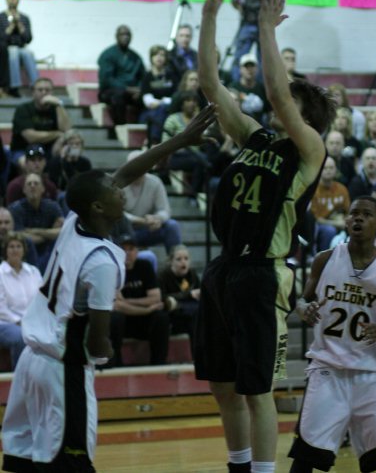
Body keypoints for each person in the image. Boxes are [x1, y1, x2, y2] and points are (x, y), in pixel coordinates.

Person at [1, 103, 217, 473]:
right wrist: (103, 348)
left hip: (32, 361)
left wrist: (178, 141)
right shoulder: (102, 260)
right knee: (72, 462)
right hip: (62, 367)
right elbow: (99, 338)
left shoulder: (74, 222)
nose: (124, 191)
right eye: (115, 192)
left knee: (29, 459)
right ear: (100, 205)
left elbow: (128, 171)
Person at [194, 0, 336, 473]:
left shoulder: (309, 150)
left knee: (257, 391)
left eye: (290, 99)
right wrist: (211, 15)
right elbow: (211, 85)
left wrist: (266, 28)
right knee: (223, 384)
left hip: (262, 274)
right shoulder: (256, 137)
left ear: (305, 114)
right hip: (224, 269)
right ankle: (238, 467)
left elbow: (277, 90)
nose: (278, 97)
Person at [288, 196, 376, 473]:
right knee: (306, 455)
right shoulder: (325, 259)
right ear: (346, 220)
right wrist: (304, 310)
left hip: (370, 374)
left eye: (366, 215)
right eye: (354, 213)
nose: (358, 218)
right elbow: (302, 301)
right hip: (327, 371)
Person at [109, 235, 170, 366]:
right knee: (115, 318)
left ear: (137, 251)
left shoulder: (145, 266)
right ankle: (115, 364)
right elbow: (117, 305)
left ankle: (158, 364)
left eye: (131, 249)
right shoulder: (112, 269)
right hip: (124, 323)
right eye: (123, 249)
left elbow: (155, 298)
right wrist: (147, 309)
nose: (127, 253)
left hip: (142, 322)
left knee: (162, 317)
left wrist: (127, 302)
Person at [230, 0, 280, 81]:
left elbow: (279, 3)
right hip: (247, 23)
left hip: (264, 26)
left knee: (264, 59)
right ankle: (236, 85)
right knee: (239, 57)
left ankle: (262, 88)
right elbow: (234, 0)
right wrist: (241, 9)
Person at [123, 150, 182, 255]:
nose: (138, 168)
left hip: (147, 228)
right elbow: (117, 213)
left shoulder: (155, 182)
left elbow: (165, 210)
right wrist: (141, 220)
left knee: (172, 226)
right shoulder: (119, 183)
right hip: (124, 231)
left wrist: (157, 219)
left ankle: (175, 262)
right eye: (134, 164)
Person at [0, 232, 42, 369]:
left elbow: (42, 300)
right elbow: (1, 308)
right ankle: (19, 377)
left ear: (24, 250)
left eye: (18, 246)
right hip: (6, 323)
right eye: (11, 246)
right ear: (5, 250)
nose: (15, 250)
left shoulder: (34, 272)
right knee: (20, 337)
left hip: (32, 320)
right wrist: (20, 322)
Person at [9, 77, 71, 168]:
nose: (44, 93)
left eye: (47, 90)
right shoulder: (23, 109)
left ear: (52, 93)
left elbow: (67, 131)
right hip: (23, 150)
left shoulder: (57, 109)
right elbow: (31, 137)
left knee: (66, 158)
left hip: (49, 150)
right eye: (40, 90)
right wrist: (57, 134)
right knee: (27, 164)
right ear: (33, 93)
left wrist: (59, 105)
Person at [9, 172, 65, 274]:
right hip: (24, 255)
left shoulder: (52, 206)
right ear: (24, 190)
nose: (32, 186)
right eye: (29, 184)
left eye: (36, 183)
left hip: (49, 252)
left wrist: (34, 231)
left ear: (43, 189)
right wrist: (49, 234)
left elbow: (63, 231)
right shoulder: (15, 209)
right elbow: (20, 237)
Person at [97, 25, 145, 126]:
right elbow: (107, 79)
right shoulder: (108, 54)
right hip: (110, 92)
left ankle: (142, 125)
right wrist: (126, 89)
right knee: (118, 96)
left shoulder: (136, 57)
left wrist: (140, 89)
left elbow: (143, 77)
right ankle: (120, 127)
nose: (126, 37)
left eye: (128, 34)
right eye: (122, 34)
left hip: (133, 92)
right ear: (116, 36)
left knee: (147, 96)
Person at [159, 244, 201, 351]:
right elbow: (162, 297)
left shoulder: (192, 274)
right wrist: (189, 294)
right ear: (171, 261)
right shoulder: (163, 275)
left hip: (191, 313)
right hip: (173, 313)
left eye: (186, 259)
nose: (183, 262)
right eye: (179, 259)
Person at [0, 0, 39, 96]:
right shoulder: (1, 17)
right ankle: (14, 87)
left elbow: (28, 39)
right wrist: (12, 26)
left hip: (21, 47)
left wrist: (19, 24)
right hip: (7, 48)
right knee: (13, 52)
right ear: (6, 0)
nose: (13, 0)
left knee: (29, 53)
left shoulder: (24, 18)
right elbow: (1, 38)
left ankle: (36, 86)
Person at [310, 156, 350, 253]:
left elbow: (348, 212)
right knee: (329, 230)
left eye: (331, 168)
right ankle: (324, 259)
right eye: (325, 168)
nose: (328, 171)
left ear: (336, 170)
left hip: (341, 223)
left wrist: (344, 221)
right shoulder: (313, 190)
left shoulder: (342, 189)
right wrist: (336, 223)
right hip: (320, 225)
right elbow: (315, 219)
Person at [139, 44, 177, 145]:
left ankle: (154, 141)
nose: (159, 57)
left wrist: (161, 102)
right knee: (161, 110)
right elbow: (149, 102)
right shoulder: (147, 77)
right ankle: (155, 140)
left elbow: (176, 98)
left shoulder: (171, 76)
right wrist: (165, 101)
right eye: (156, 55)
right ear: (151, 58)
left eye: (162, 55)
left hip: (168, 111)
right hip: (149, 113)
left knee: (165, 110)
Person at [229, 53, 270, 125]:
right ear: (240, 69)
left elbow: (269, 112)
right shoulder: (233, 87)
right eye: (246, 66)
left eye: (252, 66)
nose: (249, 70)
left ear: (257, 69)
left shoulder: (263, 89)